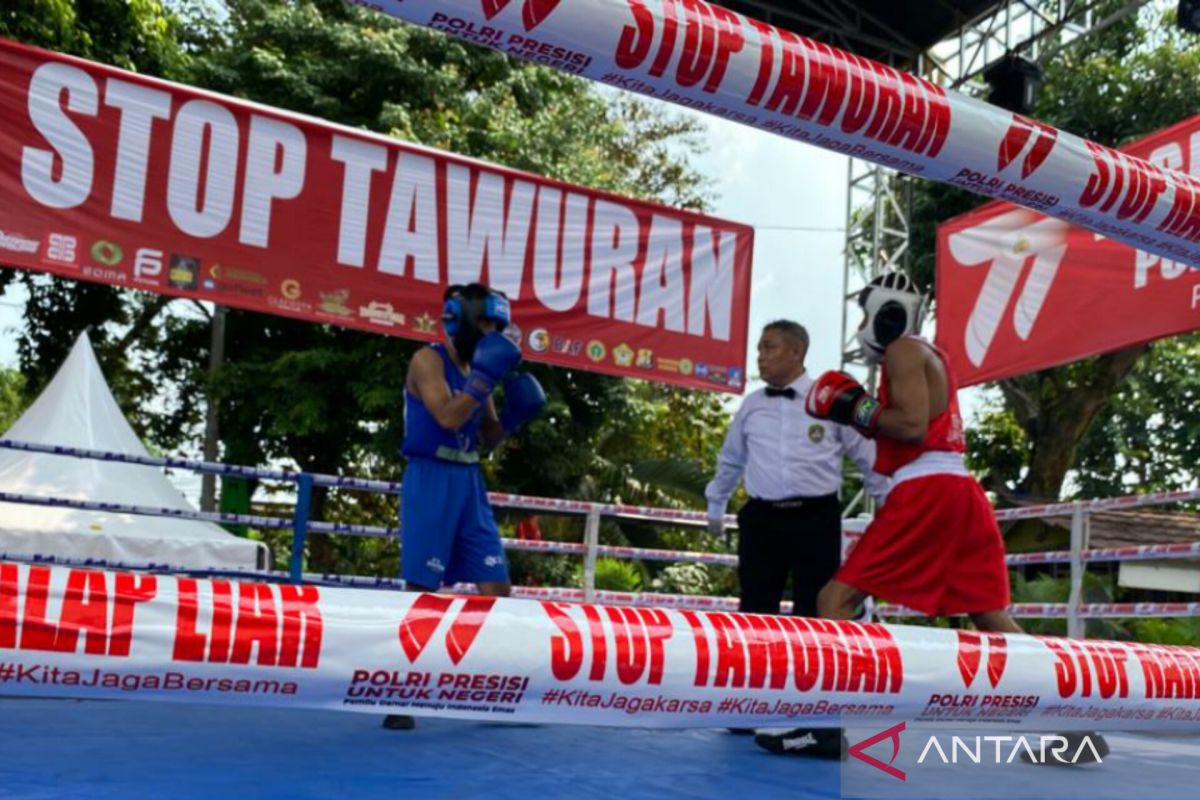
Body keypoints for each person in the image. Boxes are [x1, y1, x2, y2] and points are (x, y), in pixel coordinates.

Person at [754, 272, 1106, 764]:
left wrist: (855, 409)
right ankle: (1078, 727)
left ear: (888, 312)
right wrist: (860, 411)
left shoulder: (901, 350)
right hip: (958, 492)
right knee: (992, 618)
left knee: (833, 598)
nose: (863, 324)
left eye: (866, 313)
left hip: (927, 492)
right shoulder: (927, 354)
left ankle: (827, 726)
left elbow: (914, 428)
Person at [383, 283, 546, 731]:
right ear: (464, 319)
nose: (493, 332)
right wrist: (482, 380)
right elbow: (448, 417)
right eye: (487, 323)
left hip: (469, 480)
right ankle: (399, 693)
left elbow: (486, 436)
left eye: (499, 325)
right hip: (430, 478)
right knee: (422, 591)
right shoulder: (427, 361)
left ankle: (499, 693)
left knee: (496, 587)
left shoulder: (479, 369)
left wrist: (512, 417)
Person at [706, 320, 886, 620]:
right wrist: (716, 503)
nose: (760, 356)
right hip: (762, 519)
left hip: (816, 518)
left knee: (816, 610)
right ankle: (758, 668)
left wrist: (888, 502)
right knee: (755, 610)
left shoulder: (831, 399)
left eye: (769, 347)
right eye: (759, 349)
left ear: (796, 351)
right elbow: (731, 458)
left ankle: (813, 669)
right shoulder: (751, 405)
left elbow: (868, 455)